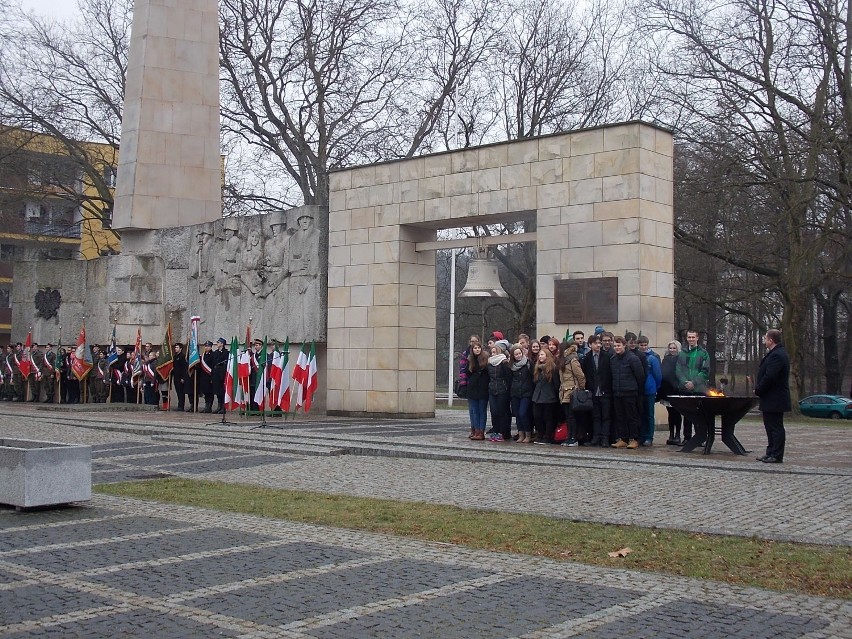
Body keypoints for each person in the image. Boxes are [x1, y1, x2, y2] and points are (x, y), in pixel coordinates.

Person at [752, 329, 791, 464]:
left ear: (771, 340)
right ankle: (770, 452)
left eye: (765, 338)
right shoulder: (775, 354)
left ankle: (776, 454)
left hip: (775, 397)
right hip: (771, 397)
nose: (764, 341)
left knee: (775, 427)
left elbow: (770, 376)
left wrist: (759, 389)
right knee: (770, 426)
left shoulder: (777, 355)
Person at [610, 336, 644, 449]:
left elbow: (640, 376)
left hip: (630, 392)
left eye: (619, 345)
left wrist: (637, 390)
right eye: (615, 346)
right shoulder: (613, 359)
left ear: (624, 345)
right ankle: (623, 439)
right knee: (620, 417)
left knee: (632, 417)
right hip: (617, 392)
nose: (616, 348)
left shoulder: (632, 358)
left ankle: (634, 439)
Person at [676, 330, 710, 441]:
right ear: (686, 338)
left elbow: (705, 371)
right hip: (685, 389)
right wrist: (685, 382)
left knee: (700, 415)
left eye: (693, 337)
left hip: (699, 389)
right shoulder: (682, 353)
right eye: (689, 337)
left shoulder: (703, 353)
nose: (691, 339)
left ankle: (700, 438)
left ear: (697, 338)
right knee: (687, 415)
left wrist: (694, 382)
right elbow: (679, 370)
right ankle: (687, 438)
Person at [581, 334, 612, 446]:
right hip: (593, 390)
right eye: (595, 343)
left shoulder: (607, 356)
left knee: (606, 416)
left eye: (599, 343)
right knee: (596, 416)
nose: (598, 345)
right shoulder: (587, 357)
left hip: (605, 390)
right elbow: (585, 374)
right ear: (590, 345)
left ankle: (605, 438)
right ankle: (596, 437)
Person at [558, 340, 586, 446]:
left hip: (572, 391)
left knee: (572, 416)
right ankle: (569, 436)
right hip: (564, 391)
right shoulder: (563, 360)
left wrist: (580, 389)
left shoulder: (572, 360)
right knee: (568, 416)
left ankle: (574, 437)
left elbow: (580, 376)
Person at [531, 348, 560, 445]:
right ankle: (541, 434)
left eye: (542, 355)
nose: (540, 357)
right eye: (539, 355)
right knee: (537, 416)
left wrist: (554, 395)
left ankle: (548, 436)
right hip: (537, 396)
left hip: (549, 396)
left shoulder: (553, 368)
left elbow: (556, 384)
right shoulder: (537, 368)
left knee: (548, 418)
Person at [637, 336, 662, 446]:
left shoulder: (652, 358)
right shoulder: (636, 356)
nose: (643, 347)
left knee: (649, 414)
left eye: (645, 345)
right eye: (641, 345)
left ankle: (649, 436)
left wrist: (655, 388)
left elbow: (658, 375)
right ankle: (641, 435)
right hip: (639, 390)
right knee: (641, 414)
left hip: (650, 389)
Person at [659, 340, 684, 445]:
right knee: (670, 413)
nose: (672, 350)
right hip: (667, 389)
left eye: (674, 348)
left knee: (677, 413)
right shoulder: (665, 359)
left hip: (677, 390)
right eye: (671, 348)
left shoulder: (681, 360)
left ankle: (678, 434)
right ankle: (671, 434)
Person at [487, 343, 513, 442]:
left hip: (503, 390)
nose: (493, 354)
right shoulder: (489, 364)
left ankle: (504, 432)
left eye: (495, 352)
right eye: (492, 352)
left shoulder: (504, 363)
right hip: (492, 389)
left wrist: (507, 389)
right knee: (494, 412)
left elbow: (508, 377)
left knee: (503, 412)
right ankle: (496, 431)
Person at [508, 344, 533, 443]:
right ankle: (521, 434)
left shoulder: (528, 363)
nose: (518, 356)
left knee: (523, 413)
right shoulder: (511, 366)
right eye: (516, 354)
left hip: (526, 392)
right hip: (515, 392)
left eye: (519, 353)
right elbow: (509, 379)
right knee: (517, 414)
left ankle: (528, 434)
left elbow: (532, 376)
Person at [465, 342, 489, 440]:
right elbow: (468, 374)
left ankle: (481, 431)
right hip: (473, 389)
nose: (477, 349)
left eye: (479, 348)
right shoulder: (470, 360)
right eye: (475, 348)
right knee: (474, 411)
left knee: (482, 411)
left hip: (483, 389)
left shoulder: (485, 360)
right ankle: (476, 430)